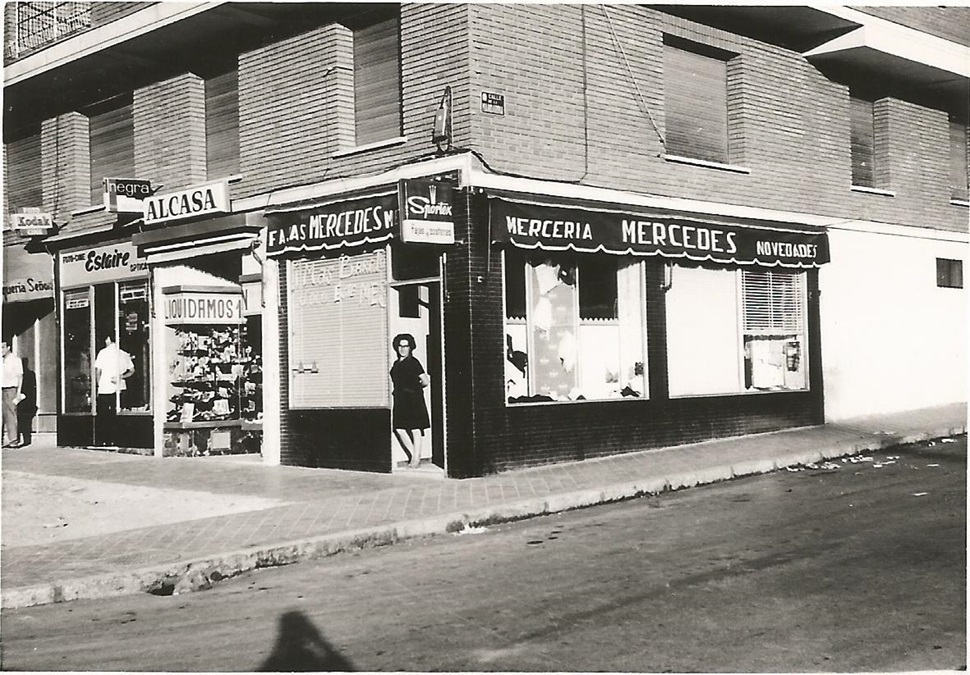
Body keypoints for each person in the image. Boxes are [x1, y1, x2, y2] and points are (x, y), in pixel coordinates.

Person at [390, 333, 430, 468]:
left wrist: (413, 389)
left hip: (413, 399)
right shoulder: (396, 364)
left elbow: (425, 381)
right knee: (399, 428)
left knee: (415, 428)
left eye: (406, 346)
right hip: (400, 399)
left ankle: (416, 459)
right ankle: (414, 455)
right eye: (400, 346)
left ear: (410, 347)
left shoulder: (413, 362)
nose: (402, 349)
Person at [94, 334, 134, 447]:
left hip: (105, 388)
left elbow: (98, 372)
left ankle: (104, 440)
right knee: (117, 414)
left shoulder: (103, 353)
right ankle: (117, 439)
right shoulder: (123, 354)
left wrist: (99, 385)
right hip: (119, 388)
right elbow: (132, 370)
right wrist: (121, 376)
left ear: (108, 339)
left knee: (104, 415)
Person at [1, 340, 24, 448]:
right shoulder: (1, 361)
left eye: (2, 347)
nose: (1, 350)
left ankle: (13, 440)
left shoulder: (15, 360)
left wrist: (18, 392)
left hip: (11, 389)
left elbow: (20, 377)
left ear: (8, 347)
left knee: (11, 414)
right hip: (1, 388)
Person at [17, 357, 37, 447]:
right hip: (28, 400)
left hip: (21, 400)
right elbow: (33, 389)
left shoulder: (20, 375)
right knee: (27, 421)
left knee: (20, 420)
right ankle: (26, 439)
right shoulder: (31, 374)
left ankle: (19, 438)